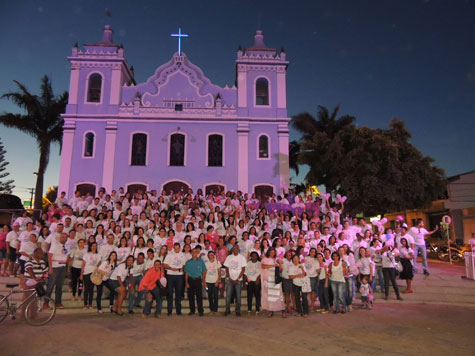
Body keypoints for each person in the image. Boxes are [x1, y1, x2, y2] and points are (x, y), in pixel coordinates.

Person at [44, 232, 70, 309]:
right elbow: (49, 256)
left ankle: (58, 303)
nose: (64, 238)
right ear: (59, 238)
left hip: (62, 267)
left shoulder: (67, 246)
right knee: (50, 286)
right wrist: (50, 268)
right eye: (63, 237)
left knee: (59, 286)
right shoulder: (55, 245)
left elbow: (68, 257)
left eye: (65, 237)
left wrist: (67, 268)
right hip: (55, 267)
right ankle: (46, 304)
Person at [260, 247, 286, 318]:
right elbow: (263, 266)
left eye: (273, 252)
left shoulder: (277, 259)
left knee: (279, 295)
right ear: (268, 252)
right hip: (268, 280)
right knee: (270, 296)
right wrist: (274, 265)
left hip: (276, 279)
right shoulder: (265, 259)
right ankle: (271, 310)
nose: (272, 253)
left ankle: (283, 310)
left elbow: (280, 269)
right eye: (271, 252)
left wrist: (280, 264)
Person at [223, 244, 247, 316]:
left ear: (238, 249)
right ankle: (227, 310)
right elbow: (226, 268)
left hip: (238, 280)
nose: (235, 249)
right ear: (232, 249)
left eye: (237, 248)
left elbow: (243, 269)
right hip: (229, 279)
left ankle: (238, 310)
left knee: (238, 296)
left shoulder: (242, 258)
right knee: (228, 296)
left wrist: (238, 278)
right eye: (234, 248)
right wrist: (229, 277)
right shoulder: (229, 257)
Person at [163, 242, 185, 316]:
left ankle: (178, 311)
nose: (176, 250)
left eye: (178, 248)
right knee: (170, 293)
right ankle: (169, 311)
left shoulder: (183, 254)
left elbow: (184, 264)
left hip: (179, 276)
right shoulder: (169, 255)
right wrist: (171, 268)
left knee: (178, 293)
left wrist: (182, 268)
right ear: (173, 248)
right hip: (170, 275)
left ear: (180, 248)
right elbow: (164, 265)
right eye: (175, 249)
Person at [184, 247, 207, 316]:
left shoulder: (201, 261)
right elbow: (186, 273)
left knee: (199, 296)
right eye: (193, 252)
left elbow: (204, 271)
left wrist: (204, 280)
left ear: (197, 253)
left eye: (195, 252)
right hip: (190, 280)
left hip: (198, 280)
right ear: (191, 253)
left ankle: (200, 311)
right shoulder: (188, 262)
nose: (194, 253)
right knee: (191, 296)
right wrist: (186, 282)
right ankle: (192, 310)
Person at [80, 242, 101, 309]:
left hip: (93, 273)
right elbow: (83, 264)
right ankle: (85, 304)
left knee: (91, 289)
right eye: (93, 246)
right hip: (86, 272)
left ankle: (90, 304)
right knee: (86, 289)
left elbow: (99, 264)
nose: (94, 247)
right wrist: (81, 274)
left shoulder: (98, 255)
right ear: (90, 247)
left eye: (95, 246)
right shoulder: (87, 254)